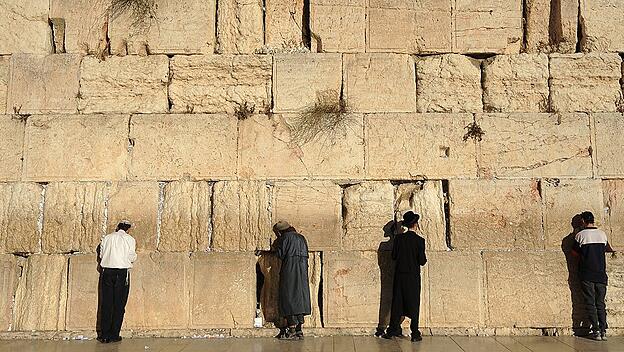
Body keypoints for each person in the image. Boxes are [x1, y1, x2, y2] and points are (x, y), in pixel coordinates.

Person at [383, 211, 427, 342]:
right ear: (416, 225)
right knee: (414, 303)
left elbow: (394, 256)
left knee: (397, 302)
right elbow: (422, 261)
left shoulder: (399, 239)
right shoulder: (420, 241)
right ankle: (415, 333)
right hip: (413, 277)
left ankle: (392, 330)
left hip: (400, 276)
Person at [572, 211, 616, 341]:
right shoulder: (602, 234)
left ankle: (596, 331)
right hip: (601, 274)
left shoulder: (580, 236)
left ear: (583, 221)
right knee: (600, 303)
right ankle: (603, 331)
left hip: (587, 274)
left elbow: (574, 254)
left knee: (590, 303)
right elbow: (608, 249)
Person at [98, 220, 137, 344]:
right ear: (128, 229)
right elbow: (131, 256)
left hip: (107, 271)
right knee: (119, 304)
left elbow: (101, 254)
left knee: (106, 303)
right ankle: (114, 334)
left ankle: (104, 335)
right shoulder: (130, 239)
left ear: (117, 228)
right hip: (121, 273)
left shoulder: (107, 238)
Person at [273, 220, 311, 340]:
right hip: (302, 269)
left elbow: (280, 254)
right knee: (300, 296)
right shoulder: (301, 237)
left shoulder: (285, 238)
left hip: (289, 270)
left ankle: (292, 329)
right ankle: (299, 330)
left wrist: (275, 246)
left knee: (288, 296)